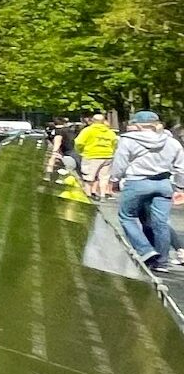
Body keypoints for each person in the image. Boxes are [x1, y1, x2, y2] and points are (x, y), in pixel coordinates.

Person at [111, 111, 184, 272]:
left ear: (137, 125)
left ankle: (146, 250)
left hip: (137, 182)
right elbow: (181, 167)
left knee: (127, 217)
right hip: (164, 183)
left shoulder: (128, 141)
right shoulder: (172, 142)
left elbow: (120, 163)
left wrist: (114, 180)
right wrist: (180, 187)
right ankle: (163, 262)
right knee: (160, 223)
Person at [79, 112, 121, 199]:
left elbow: (79, 142)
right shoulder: (110, 132)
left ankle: (88, 195)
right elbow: (115, 144)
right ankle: (102, 195)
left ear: (93, 121)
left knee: (89, 176)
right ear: (103, 121)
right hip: (107, 156)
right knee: (104, 177)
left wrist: (80, 151)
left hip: (91, 156)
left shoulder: (88, 130)